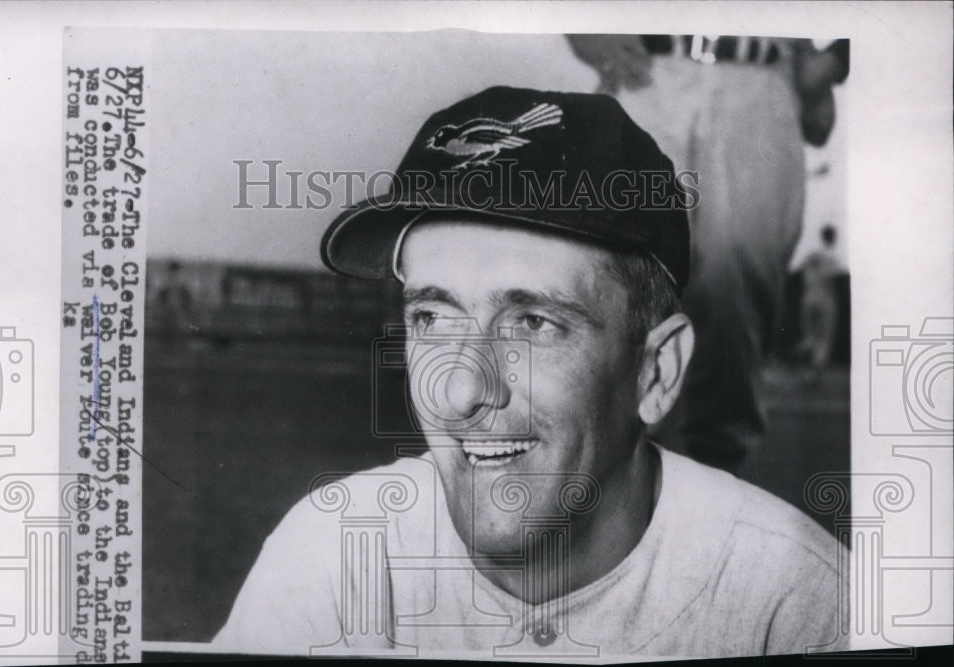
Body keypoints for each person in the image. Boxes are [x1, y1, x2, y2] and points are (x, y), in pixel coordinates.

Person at [212, 86, 846, 658]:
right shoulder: (333, 557)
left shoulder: (796, 605)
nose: (460, 390)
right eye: (433, 317)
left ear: (655, 373)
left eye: (534, 324)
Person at [567, 35, 849, 480]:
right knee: (628, 267)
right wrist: (584, 29)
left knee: (737, 276)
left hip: (759, 79)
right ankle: (619, 484)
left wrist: (838, 57)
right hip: (650, 69)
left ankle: (718, 478)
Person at [795, 225, 843, 378]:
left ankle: (807, 347)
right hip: (826, 300)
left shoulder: (812, 254)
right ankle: (814, 371)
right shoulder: (833, 258)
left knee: (811, 335)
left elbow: (798, 269)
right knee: (823, 338)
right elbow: (837, 279)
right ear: (833, 238)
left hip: (808, 298)